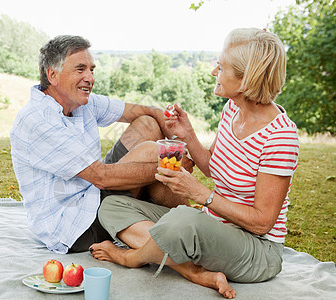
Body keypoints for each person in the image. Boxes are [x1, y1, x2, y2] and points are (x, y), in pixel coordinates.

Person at [90, 28, 299, 299]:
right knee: (113, 205)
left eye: (221, 67)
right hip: (210, 226)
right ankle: (193, 270)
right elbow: (215, 168)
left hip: (257, 250)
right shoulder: (232, 111)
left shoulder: (280, 136)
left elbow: (262, 223)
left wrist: (202, 195)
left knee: (184, 220)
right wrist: (188, 135)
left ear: (247, 79)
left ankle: (131, 258)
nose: (214, 72)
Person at [10, 35, 194, 254]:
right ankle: (191, 227)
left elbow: (148, 112)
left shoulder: (80, 103)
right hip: (75, 225)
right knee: (151, 152)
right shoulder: (37, 121)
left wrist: (176, 143)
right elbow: (101, 177)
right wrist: (173, 165)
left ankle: (182, 218)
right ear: (53, 75)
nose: (89, 77)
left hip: (92, 191)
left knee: (147, 124)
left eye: (91, 69)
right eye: (80, 69)